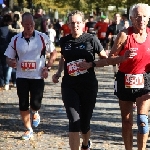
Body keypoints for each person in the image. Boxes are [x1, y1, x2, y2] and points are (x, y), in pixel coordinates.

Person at [52, 10, 133, 150]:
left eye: (78, 23)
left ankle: (85, 143)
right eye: (72, 23)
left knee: (84, 124)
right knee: (74, 121)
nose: (75, 25)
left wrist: (91, 64)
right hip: (69, 86)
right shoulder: (64, 41)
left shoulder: (91, 39)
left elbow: (104, 59)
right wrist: (58, 73)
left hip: (88, 85)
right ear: (68, 24)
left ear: (83, 24)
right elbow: (64, 59)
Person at [4, 12, 57, 140]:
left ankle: (36, 112)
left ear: (34, 24)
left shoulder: (42, 37)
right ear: (22, 24)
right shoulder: (16, 39)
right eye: (26, 24)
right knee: (23, 103)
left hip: (37, 76)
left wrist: (47, 67)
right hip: (22, 76)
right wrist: (11, 62)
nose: (29, 26)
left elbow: (53, 53)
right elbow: (8, 57)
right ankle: (28, 129)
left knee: (35, 103)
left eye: (31, 24)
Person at [108, 3, 150, 150]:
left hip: (145, 81)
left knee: (142, 121)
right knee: (127, 122)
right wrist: (123, 58)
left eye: (144, 16)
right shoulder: (124, 35)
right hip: (125, 79)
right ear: (132, 18)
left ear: (149, 18)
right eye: (138, 16)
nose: (141, 19)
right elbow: (110, 58)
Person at [105, 13, 124, 77]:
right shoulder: (111, 27)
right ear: (114, 18)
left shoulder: (122, 26)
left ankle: (119, 70)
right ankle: (115, 71)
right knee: (114, 58)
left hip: (121, 45)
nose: (116, 18)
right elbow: (107, 37)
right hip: (113, 45)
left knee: (120, 58)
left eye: (118, 17)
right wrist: (106, 48)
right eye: (115, 17)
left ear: (120, 18)